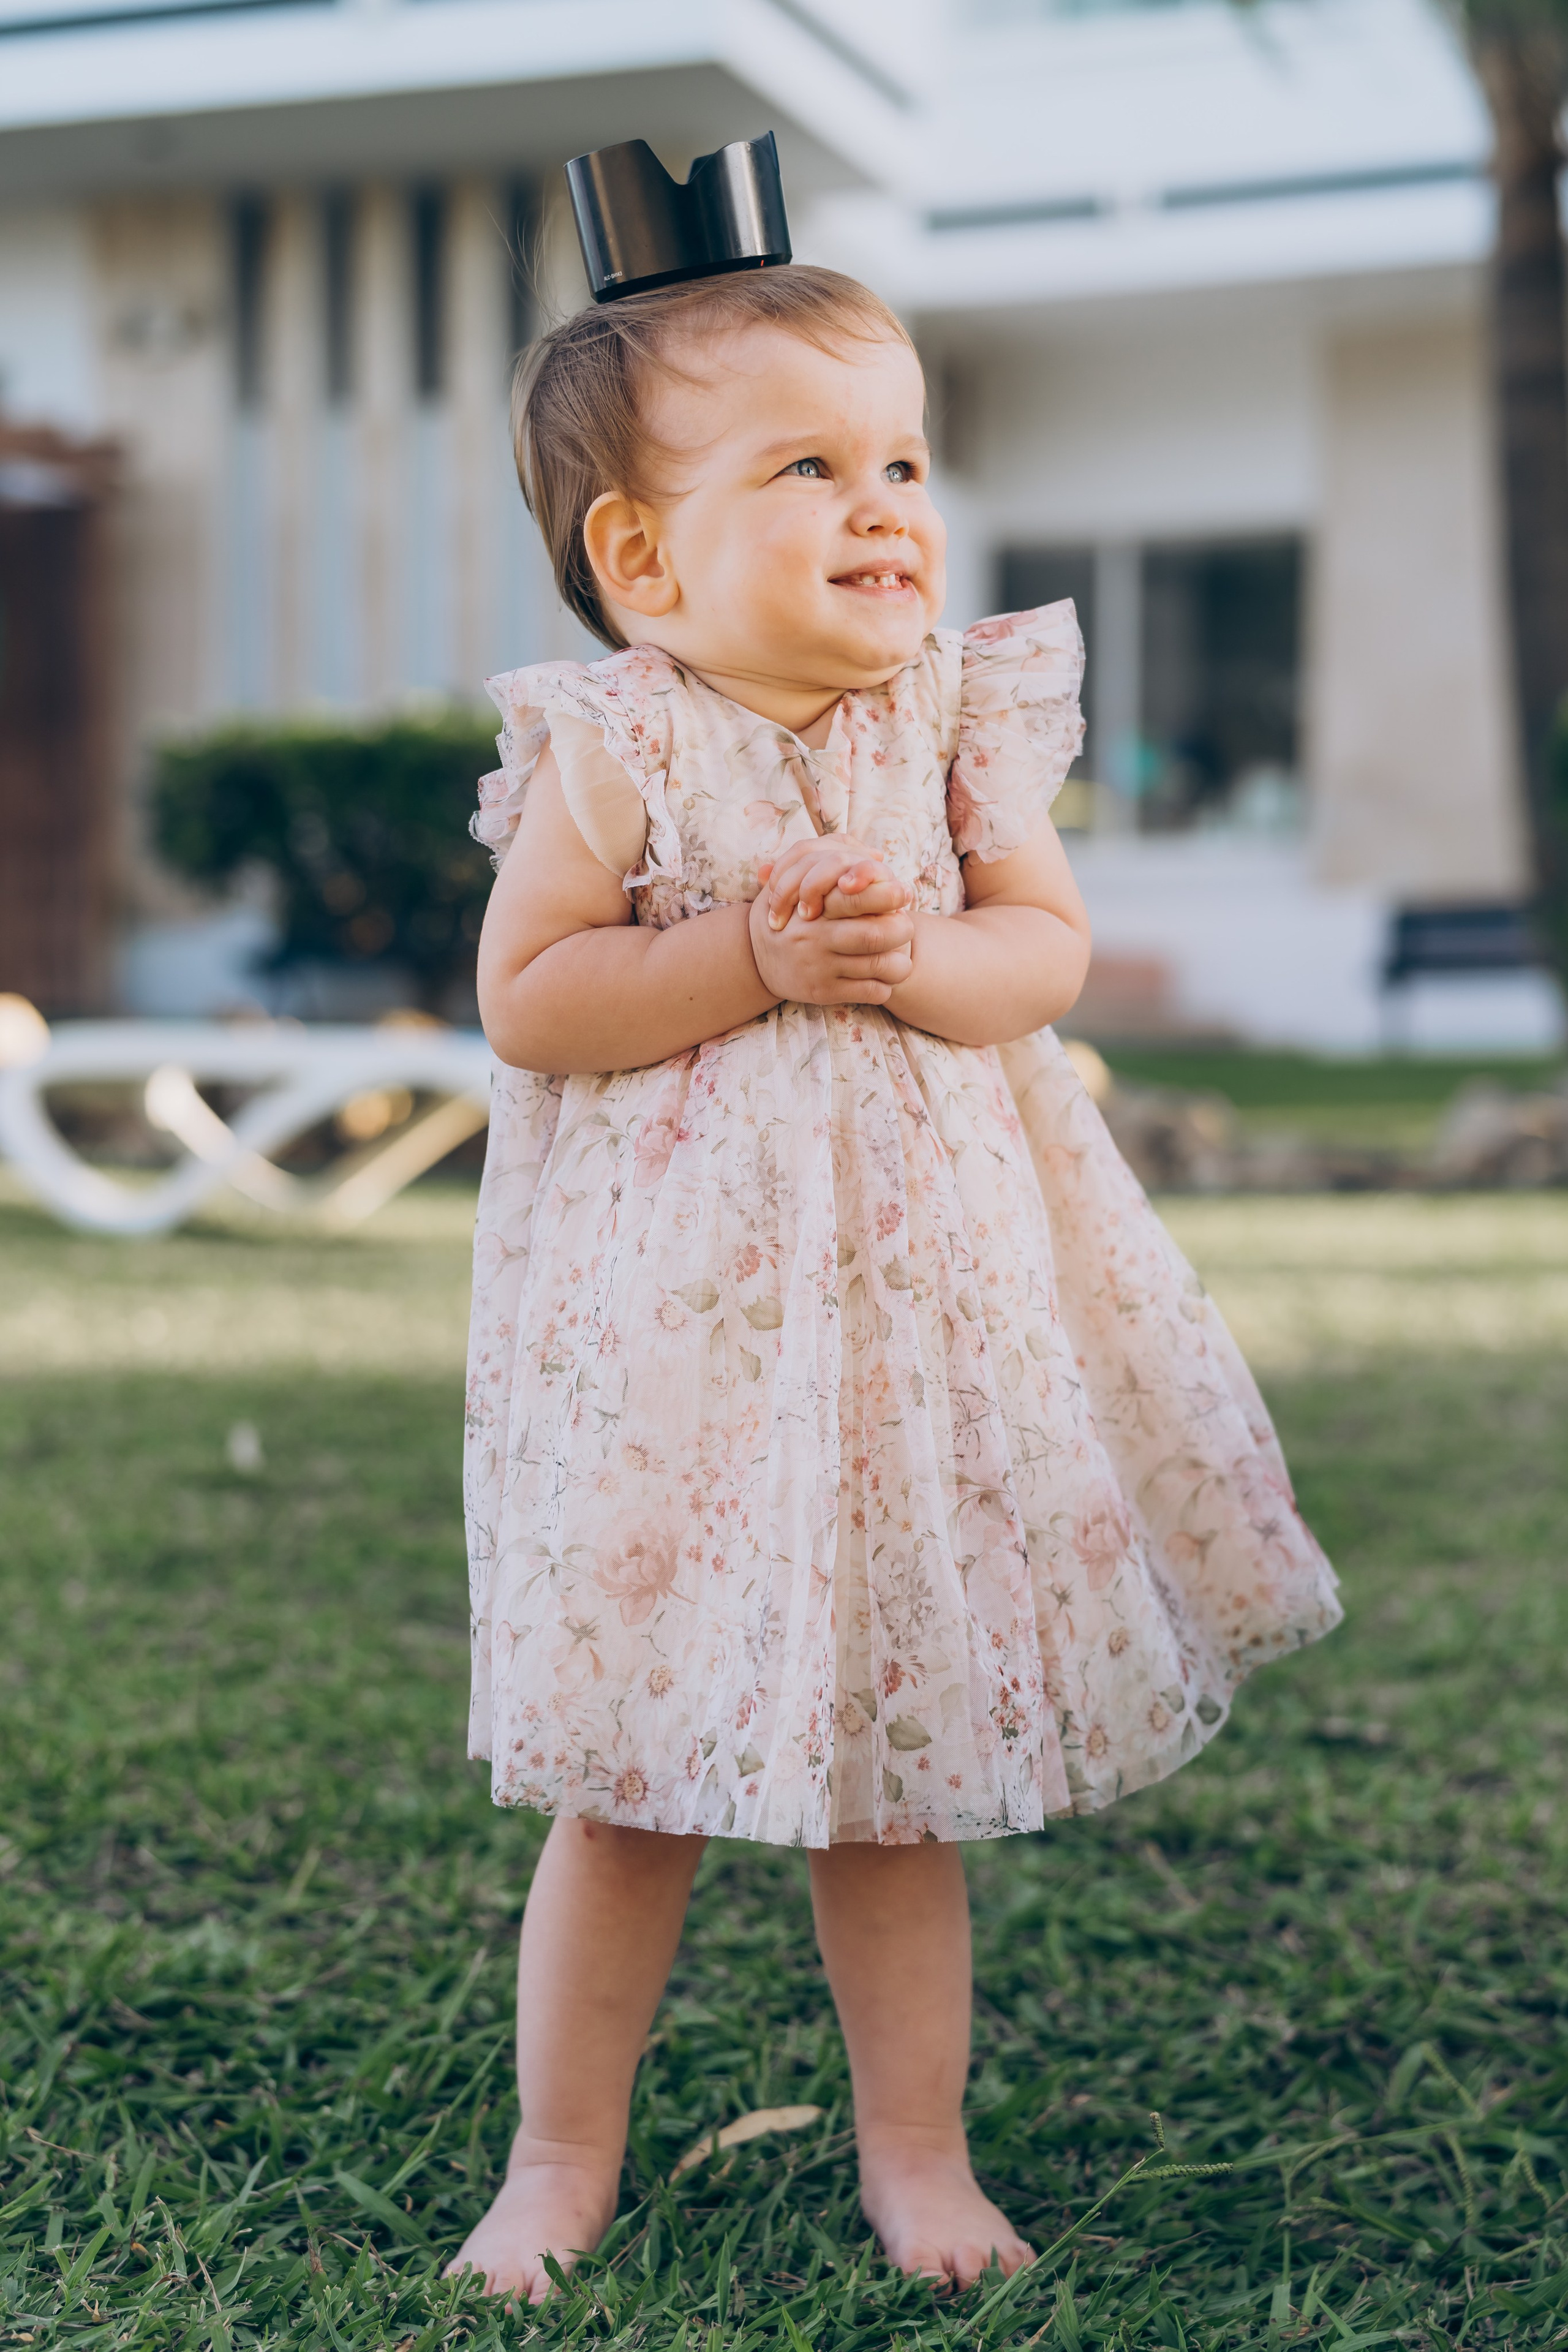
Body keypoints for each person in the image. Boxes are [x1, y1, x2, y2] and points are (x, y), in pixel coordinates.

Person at [451, 257, 1340, 2304]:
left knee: (890, 1782)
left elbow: (1042, 945)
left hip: (908, 1361)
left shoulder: (956, 719)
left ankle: (915, 2153)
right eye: (811, 465)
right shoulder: (613, 746)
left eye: (904, 459)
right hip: (673, 1368)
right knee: (622, 1789)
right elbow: (533, 1000)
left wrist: (923, 963)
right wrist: (743, 961)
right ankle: (559, 2157)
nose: (886, 508)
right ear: (641, 556)